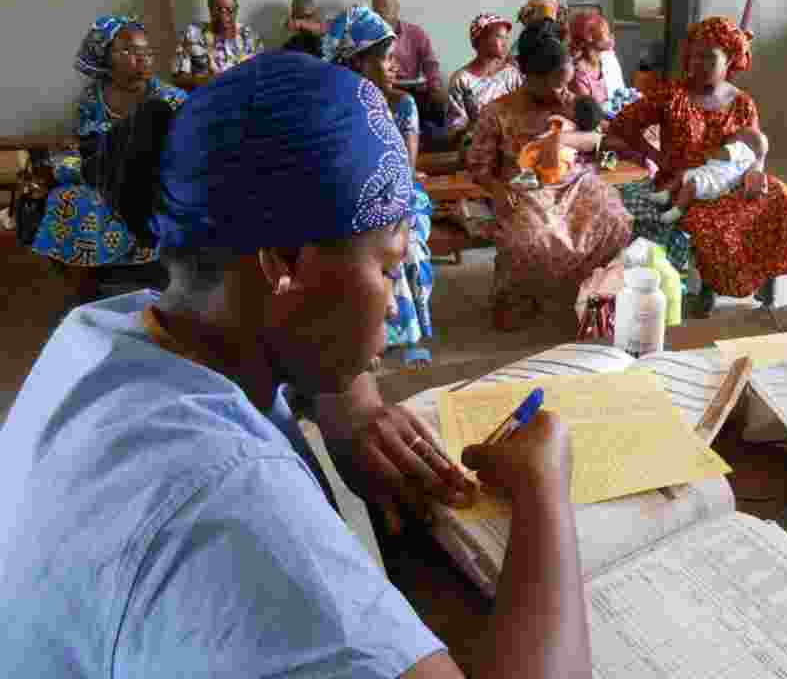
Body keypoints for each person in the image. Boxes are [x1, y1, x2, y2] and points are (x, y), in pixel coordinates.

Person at [0, 52, 592, 678]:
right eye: (389, 269)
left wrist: (352, 403)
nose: (396, 301)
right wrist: (542, 490)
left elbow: (302, 330)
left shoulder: (108, 331)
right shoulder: (232, 512)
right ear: (283, 261)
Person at [608, 16, 787, 312]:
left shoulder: (742, 103)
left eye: (708, 57)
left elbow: (754, 146)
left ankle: (767, 278)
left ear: (729, 59)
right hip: (684, 184)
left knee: (778, 196)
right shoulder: (671, 95)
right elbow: (622, 126)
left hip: (730, 177)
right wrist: (655, 157)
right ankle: (708, 286)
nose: (696, 64)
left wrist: (756, 172)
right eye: (693, 55)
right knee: (713, 220)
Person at [467, 19, 633, 331]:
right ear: (530, 77)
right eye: (556, 82)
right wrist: (498, 189)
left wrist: (583, 147)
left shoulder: (571, 103)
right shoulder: (497, 112)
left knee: (615, 220)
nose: (563, 90)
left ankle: (589, 297)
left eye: (566, 82)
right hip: (525, 188)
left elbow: (603, 144)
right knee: (532, 239)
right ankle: (518, 299)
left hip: (576, 182)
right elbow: (478, 166)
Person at [31, 14, 187, 304]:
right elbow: (84, 141)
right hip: (102, 171)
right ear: (107, 56)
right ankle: (86, 285)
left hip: (150, 176)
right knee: (64, 196)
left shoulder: (171, 99)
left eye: (145, 51)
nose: (141, 59)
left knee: (110, 197)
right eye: (128, 51)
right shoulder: (93, 97)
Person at [325, 5, 434, 367]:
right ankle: (365, 334)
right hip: (350, 198)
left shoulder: (402, 105)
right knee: (348, 247)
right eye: (386, 58)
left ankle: (405, 334)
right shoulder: (331, 110)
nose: (395, 66)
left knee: (403, 245)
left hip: (400, 196)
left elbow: (404, 168)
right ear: (357, 63)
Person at [371, 0, 447, 150]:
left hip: (413, 88)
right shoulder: (369, 38)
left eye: (386, 8)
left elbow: (430, 63)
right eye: (377, 10)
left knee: (437, 104)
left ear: (397, 9)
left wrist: (435, 86)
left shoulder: (416, 33)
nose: (382, 14)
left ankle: (430, 147)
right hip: (381, 90)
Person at [446, 13, 522, 152]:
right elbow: (455, 132)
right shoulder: (461, 80)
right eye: (499, 37)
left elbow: (523, 113)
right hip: (477, 150)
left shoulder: (512, 74)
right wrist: (476, 125)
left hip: (512, 146)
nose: (505, 43)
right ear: (480, 40)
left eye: (506, 38)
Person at [173, 0, 263, 89]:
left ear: (237, 8)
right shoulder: (193, 34)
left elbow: (262, 75)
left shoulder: (250, 37)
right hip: (206, 98)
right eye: (217, 9)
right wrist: (204, 81)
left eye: (229, 10)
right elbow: (178, 79)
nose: (223, 15)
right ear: (209, 9)